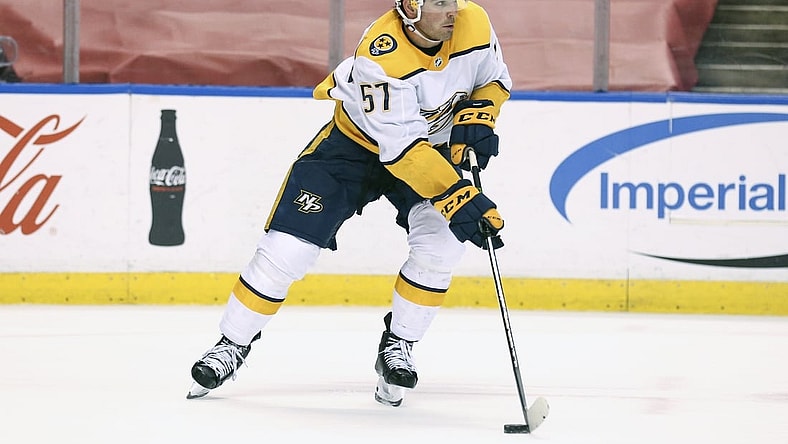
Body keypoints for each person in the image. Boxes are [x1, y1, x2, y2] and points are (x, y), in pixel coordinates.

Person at [187, 0, 512, 407]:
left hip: (433, 150)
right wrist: (458, 197)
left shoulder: (474, 22)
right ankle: (230, 344)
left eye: (454, 0)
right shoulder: (382, 54)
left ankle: (399, 346)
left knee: (442, 247)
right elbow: (404, 152)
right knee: (286, 250)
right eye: (440, 4)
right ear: (411, 8)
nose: (453, 11)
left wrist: (481, 114)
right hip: (354, 150)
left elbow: (494, 79)